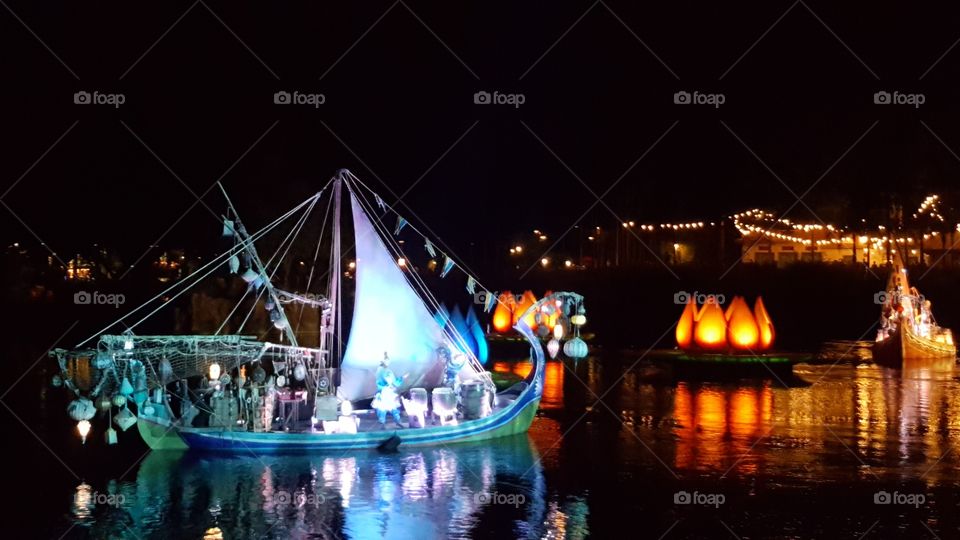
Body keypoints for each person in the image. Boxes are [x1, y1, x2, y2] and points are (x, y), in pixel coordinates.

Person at [373, 352, 404, 428]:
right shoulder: (381, 370)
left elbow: (392, 382)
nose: (388, 361)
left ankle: (397, 421)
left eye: (388, 360)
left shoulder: (386, 370)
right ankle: (382, 423)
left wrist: (398, 380)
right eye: (386, 360)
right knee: (383, 408)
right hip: (385, 392)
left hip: (388, 392)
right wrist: (393, 383)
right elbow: (383, 382)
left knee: (393, 407)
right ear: (383, 361)